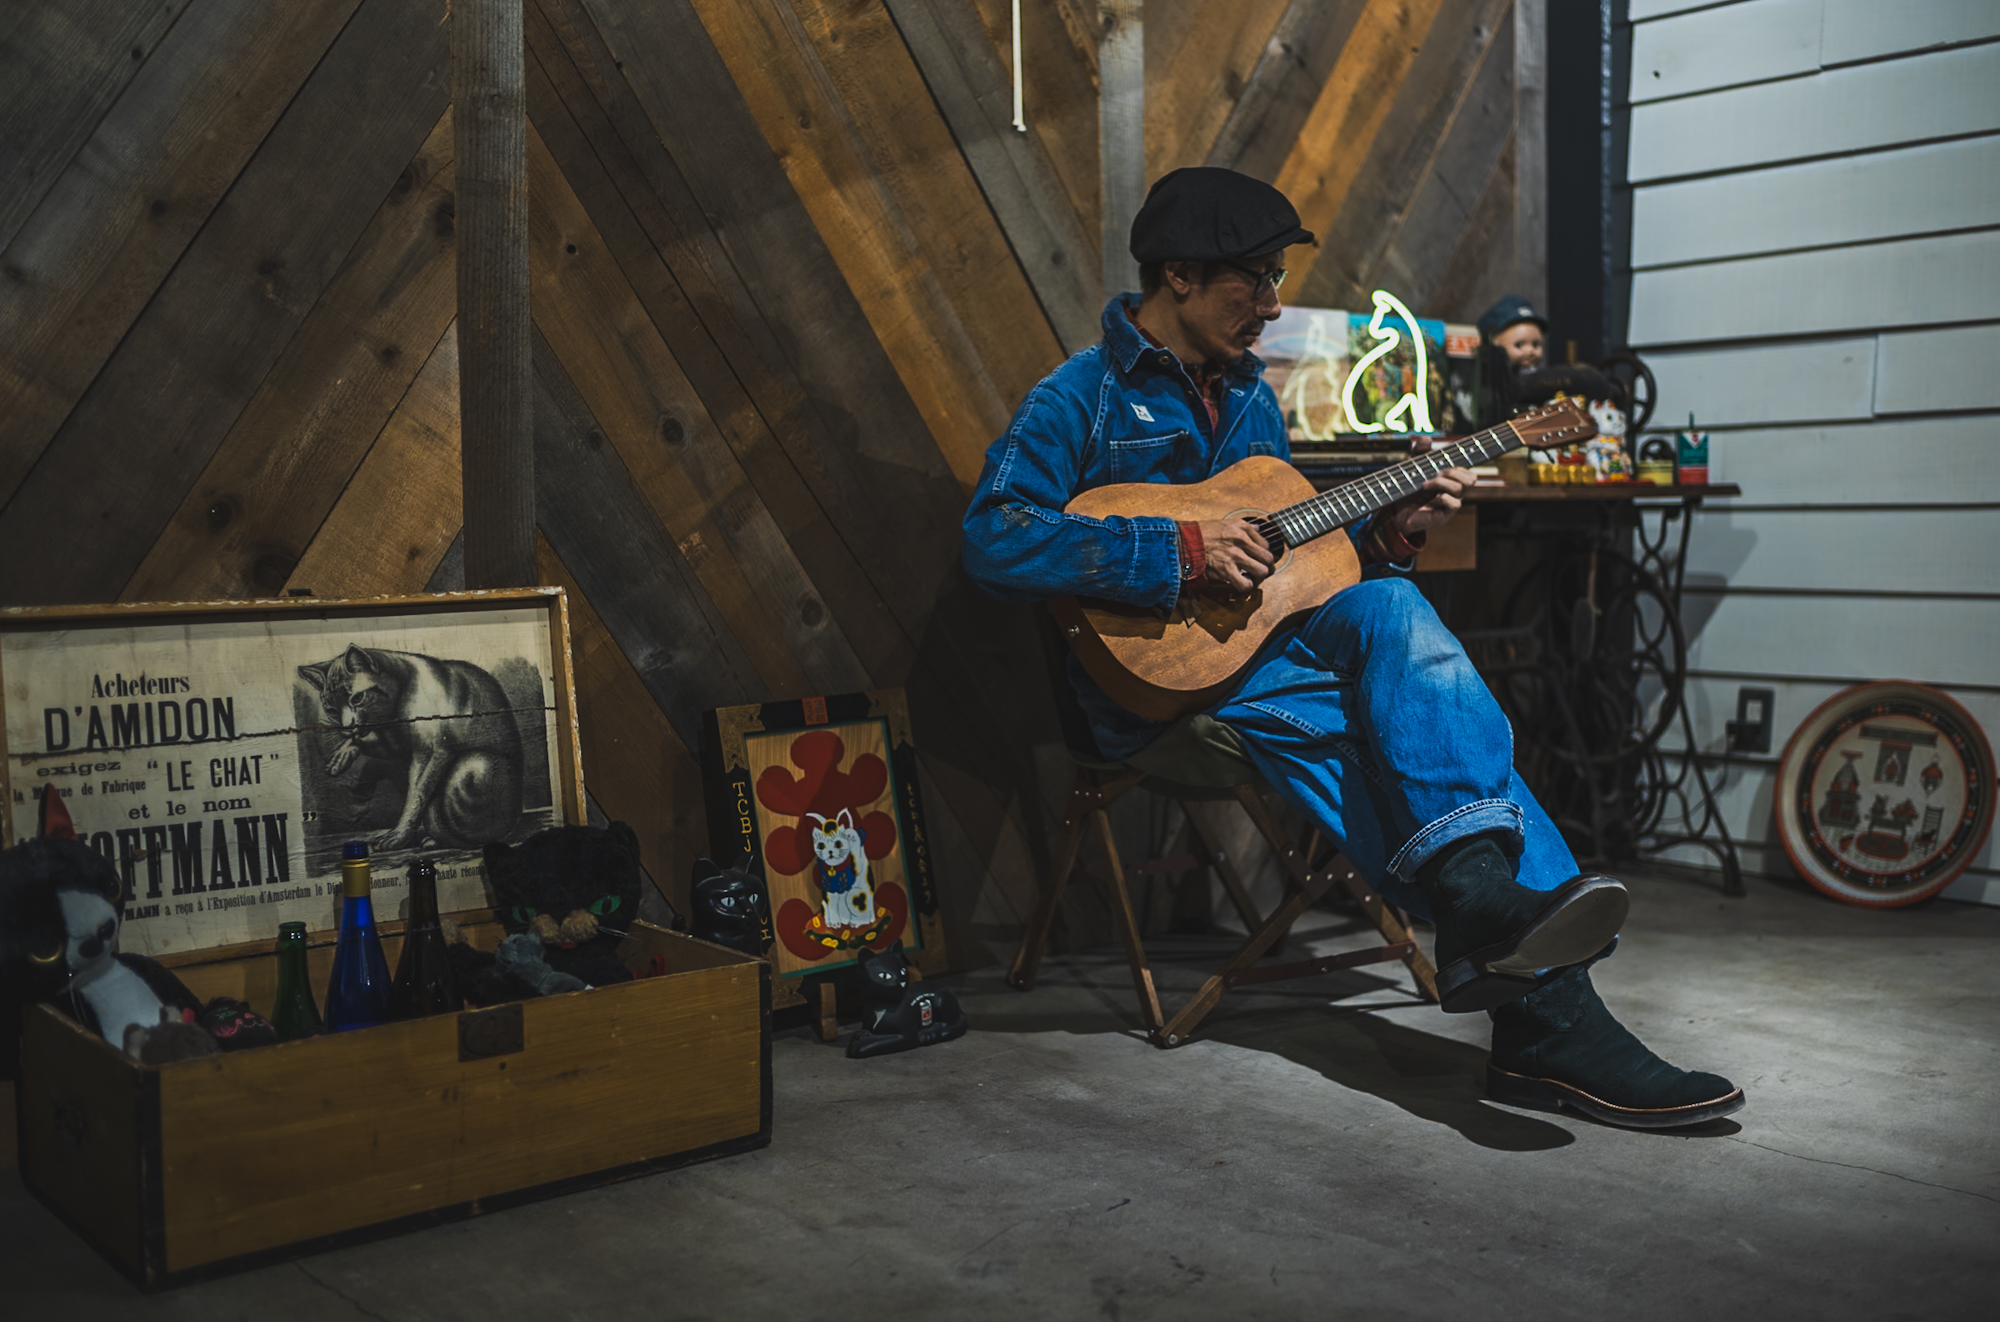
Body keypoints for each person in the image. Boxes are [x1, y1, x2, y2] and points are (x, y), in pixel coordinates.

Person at [962, 167, 1742, 1129]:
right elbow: (993, 538)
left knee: (1397, 608)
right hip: (1160, 689)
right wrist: (1178, 551)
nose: (1272, 304)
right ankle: (1549, 1019)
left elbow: (1287, 563)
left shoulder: (1250, 398)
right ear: (1178, 274)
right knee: (1389, 736)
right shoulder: (1080, 396)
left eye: (1275, 280)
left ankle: (1483, 907)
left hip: (1265, 649)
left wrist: (1390, 531)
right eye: (1253, 280)